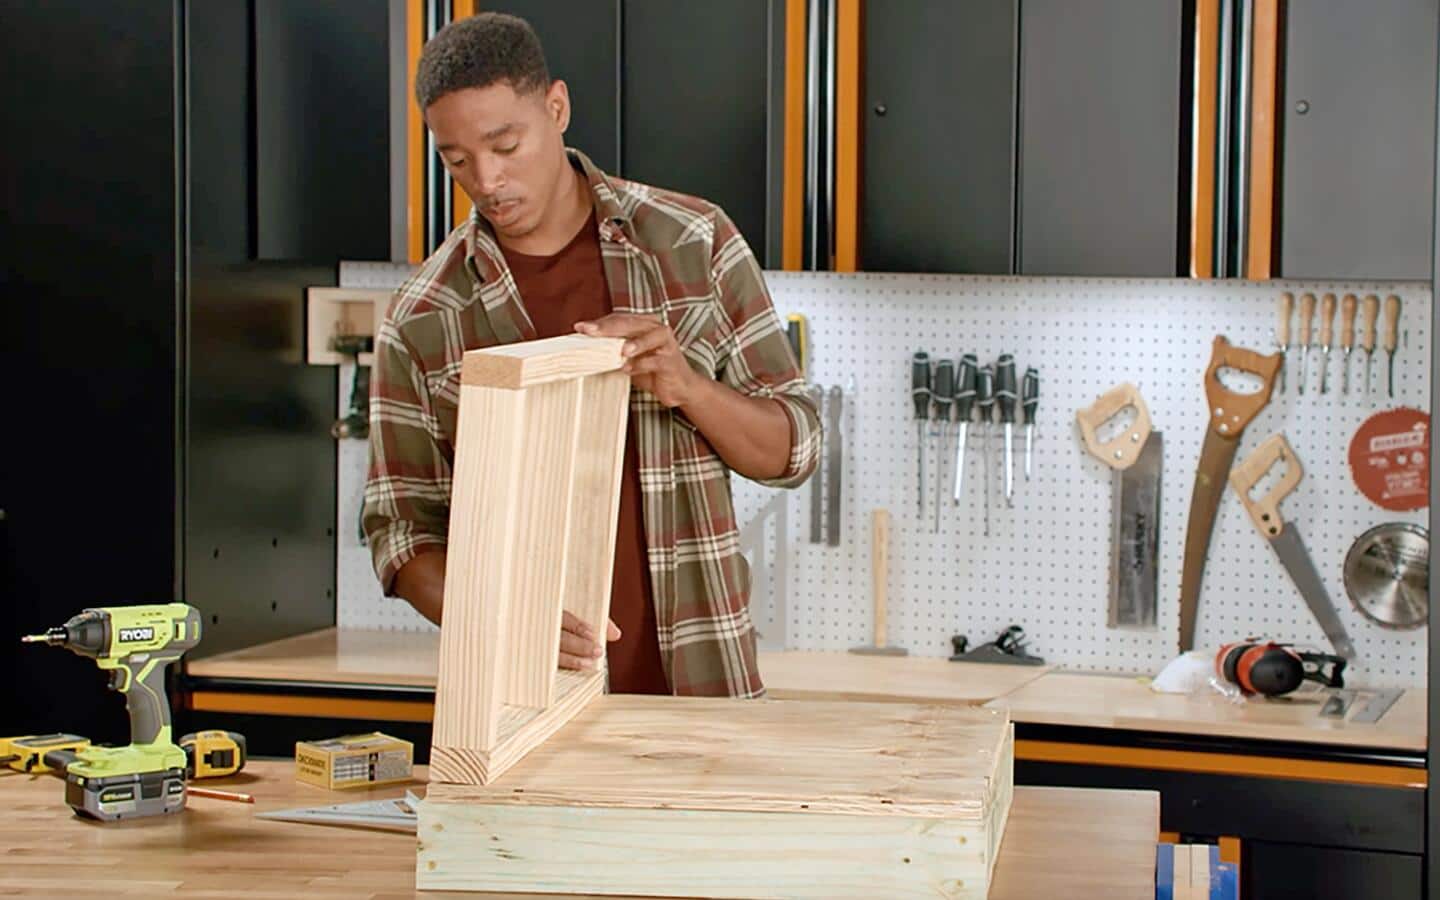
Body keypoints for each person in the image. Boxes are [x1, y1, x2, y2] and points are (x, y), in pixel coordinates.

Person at [362, 12, 820, 698]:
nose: (486, 180)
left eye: (505, 145)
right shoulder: (422, 317)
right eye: (456, 160)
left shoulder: (696, 242)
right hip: (520, 706)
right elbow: (401, 536)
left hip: (703, 690)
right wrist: (504, 621)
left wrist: (689, 387)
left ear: (557, 107)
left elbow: (796, 450)